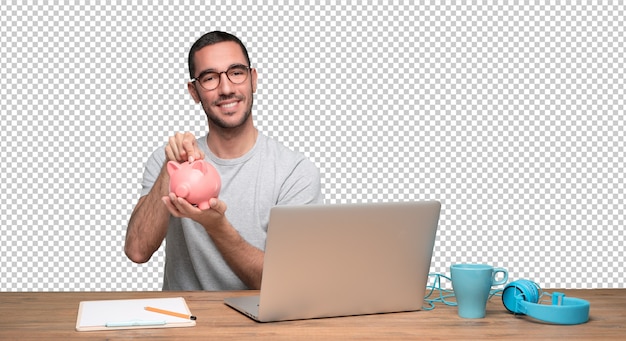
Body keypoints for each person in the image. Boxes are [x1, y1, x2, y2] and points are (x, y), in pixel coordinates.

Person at [124, 31, 324, 291]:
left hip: (261, 326)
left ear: (253, 79)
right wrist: (170, 169)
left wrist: (216, 225)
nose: (226, 88)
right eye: (209, 78)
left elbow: (287, 284)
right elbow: (137, 251)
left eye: (236, 73)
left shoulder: (294, 173)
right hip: (185, 324)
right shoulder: (167, 161)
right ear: (194, 92)